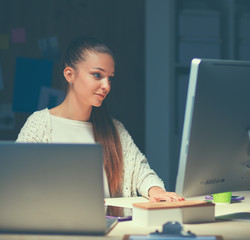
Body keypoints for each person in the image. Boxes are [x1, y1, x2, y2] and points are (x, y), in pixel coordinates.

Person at [16, 37, 183, 202]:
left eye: (110, 78)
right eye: (97, 75)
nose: (107, 86)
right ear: (69, 75)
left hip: (109, 226)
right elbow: (16, 179)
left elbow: (140, 171)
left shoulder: (114, 128)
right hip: (54, 224)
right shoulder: (40, 124)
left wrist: (155, 190)